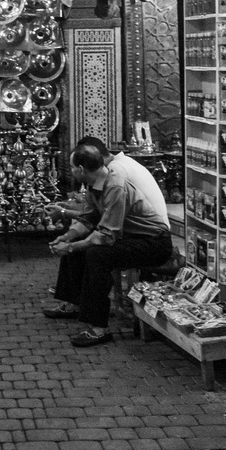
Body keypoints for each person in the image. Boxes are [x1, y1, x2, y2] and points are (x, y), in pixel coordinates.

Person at [44, 140, 174, 348]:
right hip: (131, 236)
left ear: (81, 169)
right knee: (79, 242)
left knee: (97, 255)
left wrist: (70, 247)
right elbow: (88, 218)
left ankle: (98, 329)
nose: (71, 172)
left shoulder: (115, 184)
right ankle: (74, 303)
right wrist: (68, 238)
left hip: (154, 243)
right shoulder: (93, 184)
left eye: (71, 168)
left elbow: (106, 235)